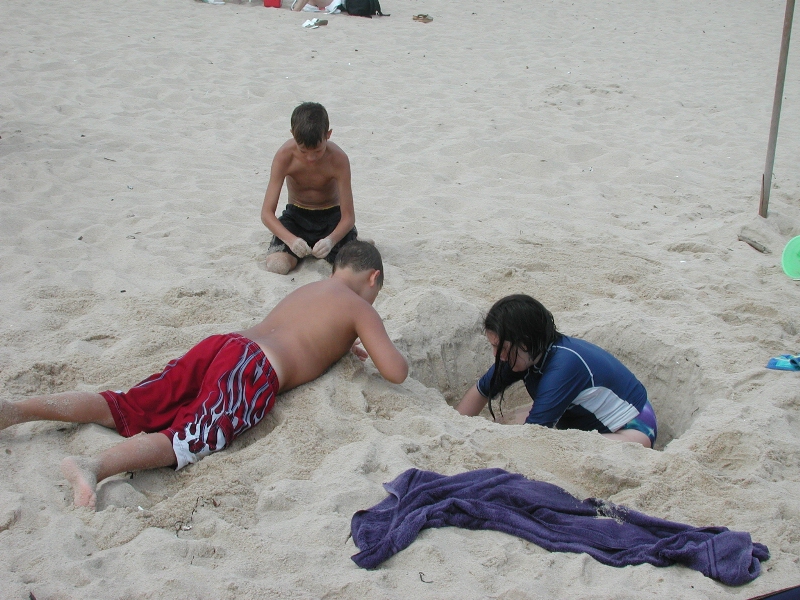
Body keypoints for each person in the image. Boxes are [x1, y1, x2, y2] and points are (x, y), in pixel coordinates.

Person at [0, 241, 408, 508]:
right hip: (253, 371)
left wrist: (345, 342)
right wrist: (369, 331)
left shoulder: (311, 289)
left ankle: (16, 410)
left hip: (225, 345)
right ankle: (93, 466)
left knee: (127, 404)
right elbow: (395, 372)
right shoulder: (359, 307)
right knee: (185, 439)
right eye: (377, 292)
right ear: (373, 278)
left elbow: (308, 333)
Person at [456, 294, 657, 448]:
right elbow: (482, 390)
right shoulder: (527, 353)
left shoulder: (565, 364)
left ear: (525, 342)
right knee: (506, 421)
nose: (497, 354)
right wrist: (455, 429)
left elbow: (534, 434)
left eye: (501, 347)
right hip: (580, 416)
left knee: (565, 446)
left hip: (632, 430)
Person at [262, 102, 357, 275]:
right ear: (293, 135)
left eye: (318, 151)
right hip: (296, 216)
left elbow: (348, 216)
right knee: (277, 266)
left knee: (351, 267)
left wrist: (331, 240)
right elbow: (267, 213)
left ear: (328, 135)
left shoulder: (338, 159)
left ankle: (353, 241)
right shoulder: (284, 157)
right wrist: (291, 240)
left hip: (331, 217)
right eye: (303, 151)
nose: (311, 158)